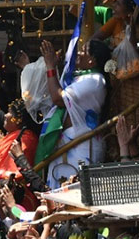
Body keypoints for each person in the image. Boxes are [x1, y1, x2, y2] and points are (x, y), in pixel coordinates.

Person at [39, 37, 111, 188]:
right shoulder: (81, 77)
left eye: (83, 50)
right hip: (68, 146)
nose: (78, 53)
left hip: (80, 148)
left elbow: (58, 98)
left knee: (76, 197)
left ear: (92, 60)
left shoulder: (95, 80)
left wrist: (50, 66)